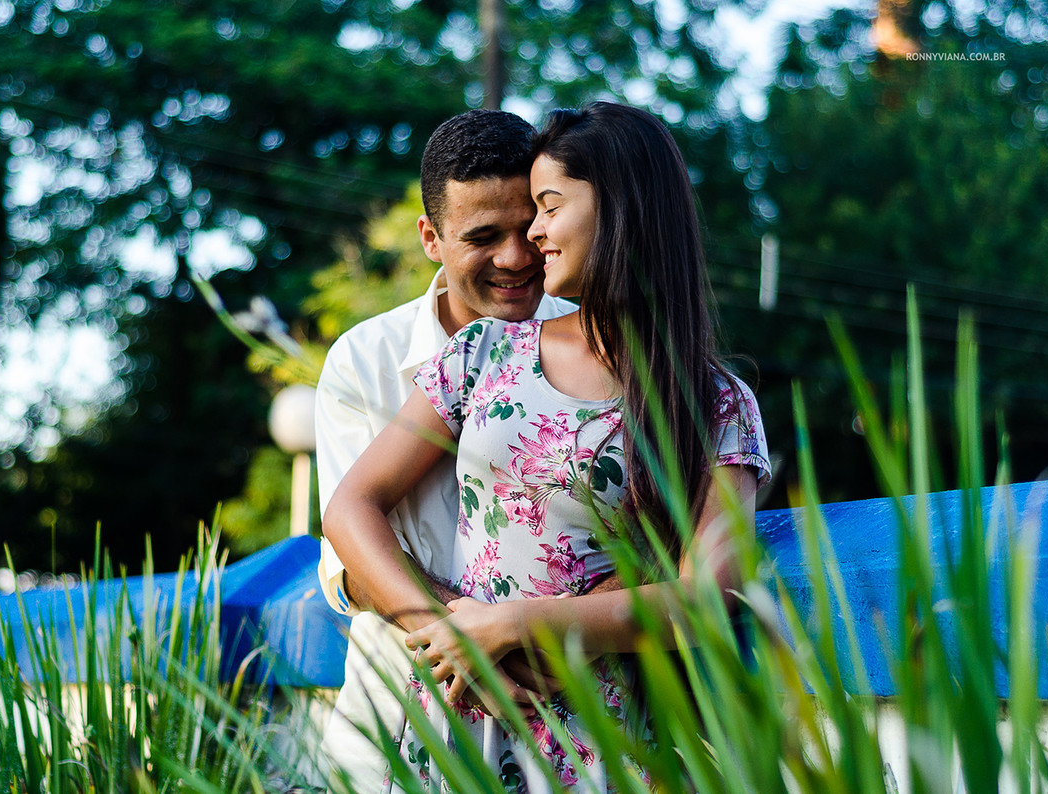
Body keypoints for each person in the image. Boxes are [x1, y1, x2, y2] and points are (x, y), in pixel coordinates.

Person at [323, 101, 771, 790]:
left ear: (624, 210)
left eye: (546, 206)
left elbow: (706, 597)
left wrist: (513, 625)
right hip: (453, 714)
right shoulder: (481, 352)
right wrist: (470, 640)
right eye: (507, 222)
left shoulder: (716, 404)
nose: (530, 239)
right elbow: (351, 510)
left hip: (596, 730)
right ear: (431, 237)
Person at [316, 109, 584, 792]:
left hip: (564, 734)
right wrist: (471, 647)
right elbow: (348, 565)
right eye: (483, 237)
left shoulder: (596, 346)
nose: (516, 257)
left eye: (528, 228)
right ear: (431, 238)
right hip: (393, 731)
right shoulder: (365, 362)